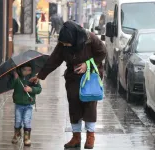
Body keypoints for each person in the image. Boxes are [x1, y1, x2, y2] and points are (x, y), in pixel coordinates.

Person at [29, 21, 106, 149]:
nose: (65, 45)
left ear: (74, 37)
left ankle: (90, 136)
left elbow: (102, 53)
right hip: (73, 76)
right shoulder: (63, 44)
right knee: (74, 104)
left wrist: (87, 64)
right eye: (63, 43)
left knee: (90, 103)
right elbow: (54, 60)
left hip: (90, 75)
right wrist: (40, 75)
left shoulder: (90, 38)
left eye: (66, 43)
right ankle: (76, 137)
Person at [11, 63, 42, 146]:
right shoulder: (17, 78)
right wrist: (15, 79)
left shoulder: (33, 78)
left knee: (26, 120)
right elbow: (10, 85)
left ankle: (27, 137)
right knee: (18, 120)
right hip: (18, 104)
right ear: (20, 70)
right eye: (24, 70)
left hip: (28, 104)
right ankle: (17, 134)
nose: (27, 72)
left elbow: (39, 89)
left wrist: (31, 89)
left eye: (29, 70)